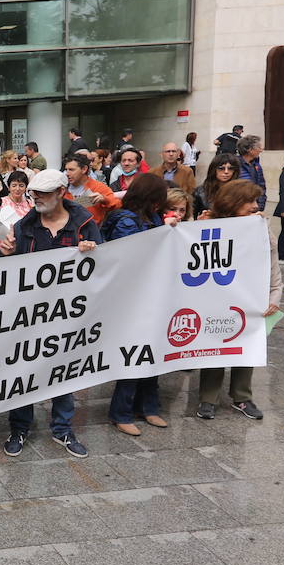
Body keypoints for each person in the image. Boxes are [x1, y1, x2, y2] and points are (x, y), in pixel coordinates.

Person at [0, 169, 97, 459]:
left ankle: (63, 428)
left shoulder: (85, 224)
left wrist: (93, 253)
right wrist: (5, 254)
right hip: (29, 315)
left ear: (61, 193)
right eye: (32, 194)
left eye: (42, 194)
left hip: (68, 315)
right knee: (23, 370)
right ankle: (19, 427)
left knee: (63, 370)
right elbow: (1, 270)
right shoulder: (25, 226)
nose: (35, 198)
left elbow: (104, 265)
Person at [196, 180, 281, 420]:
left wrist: (275, 296)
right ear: (232, 203)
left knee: (247, 347)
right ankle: (207, 398)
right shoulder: (209, 223)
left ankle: (242, 398)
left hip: (251, 299)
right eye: (250, 202)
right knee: (213, 345)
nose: (255, 206)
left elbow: (272, 262)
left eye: (256, 201)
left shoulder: (260, 226)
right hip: (216, 297)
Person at [101, 175, 172, 436]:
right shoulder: (125, 221)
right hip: (130, 299)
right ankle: (121, 412)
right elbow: (129, 257)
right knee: (133, 355)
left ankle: (148, 406)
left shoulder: (149, 219)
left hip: (152, 295)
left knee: (152, 353)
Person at [63, 155, 120, 225]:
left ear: (84, 169)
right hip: (67, 232)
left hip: (91, 232)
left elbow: (117, 204)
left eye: (71, 170)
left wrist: (105, 200)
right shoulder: (62, 189)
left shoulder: (98, 187)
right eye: (66, 170)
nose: (67, 174)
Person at [194, 153, 240, 217]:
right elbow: (191, 217)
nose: (226, 172)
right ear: (214, 170)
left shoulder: (242, 191)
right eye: (221, 168)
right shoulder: (200, 192)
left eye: (230, 168)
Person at [235, 134, 267, 208]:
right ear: (249, 149)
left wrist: (260, 205)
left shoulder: (257, 166)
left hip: (254, 206)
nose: (261, 150)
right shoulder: (235, 164)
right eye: (258, 147)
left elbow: (261, 187)